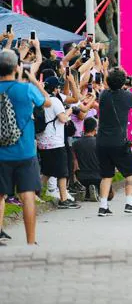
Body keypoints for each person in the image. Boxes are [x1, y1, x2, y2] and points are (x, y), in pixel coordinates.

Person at [0, 50, 50, 245]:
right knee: (27, 195)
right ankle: (31, 241)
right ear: (16, 67)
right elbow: (46, 102)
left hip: (1, 153)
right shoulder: (26, 89)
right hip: (25, 151)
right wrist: (31, 79)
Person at [96, 68, 132, 217]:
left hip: (102, 143)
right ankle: (129, 202)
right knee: (130, 174)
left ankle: (103, 206)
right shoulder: (126, 95)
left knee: (106, 175)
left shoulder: (103, 95)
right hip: (119, 142)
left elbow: (109, 87)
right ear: (123, 82)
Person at [37, 76, 79, 209]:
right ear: (55, 89)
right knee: (62, 171)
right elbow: (62, 119)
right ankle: (63, 199)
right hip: (55, 141)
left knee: (47, 170)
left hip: (42, 141)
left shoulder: (40, 99)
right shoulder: (55, 101)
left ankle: (33, 192)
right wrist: (70, 111)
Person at [71, 117, 102, 202]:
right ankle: (96, 190)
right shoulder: (100, 142)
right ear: (95, 128)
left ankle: (88, 192)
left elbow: (74, 161)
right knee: (110, 195)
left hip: (82, 177)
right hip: (98, 175)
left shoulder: (75, 144)